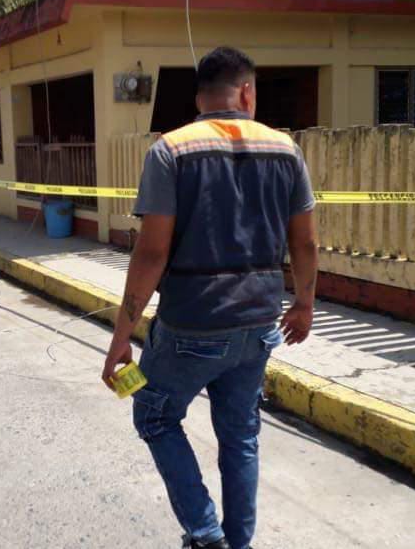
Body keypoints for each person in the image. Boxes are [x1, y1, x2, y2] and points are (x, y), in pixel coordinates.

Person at [102, 47, 318, 549]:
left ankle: (205, 533)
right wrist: (304, 303)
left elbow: (152, 253)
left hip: (192, 326)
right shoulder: (286, 149)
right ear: (246, 92)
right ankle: (236, 543)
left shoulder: (170, 151)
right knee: (240, 435)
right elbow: (304, 242)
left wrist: (120, 338)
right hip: (261, 325)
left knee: (153, 414)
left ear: (200, 96)